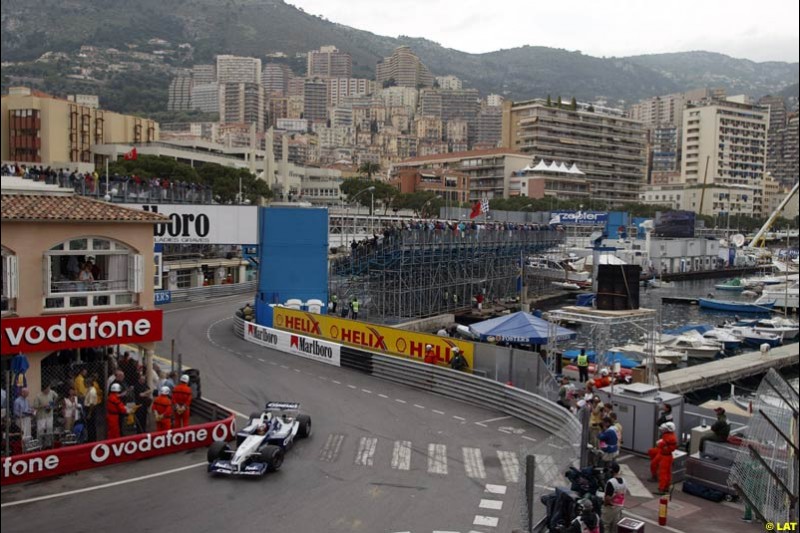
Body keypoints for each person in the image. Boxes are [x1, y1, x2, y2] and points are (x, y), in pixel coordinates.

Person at [648, 421, 678, 494]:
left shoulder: (671, 438)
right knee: (653, 463)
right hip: (662, 453)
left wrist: (661, 443)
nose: (662, 430)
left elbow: (662, 445)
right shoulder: (667, 435)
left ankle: (663, 488)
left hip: (666, 456)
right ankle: (655, 477)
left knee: (664, 473)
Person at [602, 462, 627, 533]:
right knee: (615, 528)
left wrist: (605, 503)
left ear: (611, 471)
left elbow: (607, 499)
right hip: (619, 507)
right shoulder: (624, 481)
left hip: (610, 508)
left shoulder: (611, 482)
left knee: (605, 526)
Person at [84, 374, 100, 441]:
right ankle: (90, 437)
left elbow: (92, 404)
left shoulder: (92, 391)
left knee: (91, 425)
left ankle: (92, 439)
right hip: (88, 408)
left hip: (91, 409)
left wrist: (89, 413)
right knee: (89, 425)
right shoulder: (88, 390)